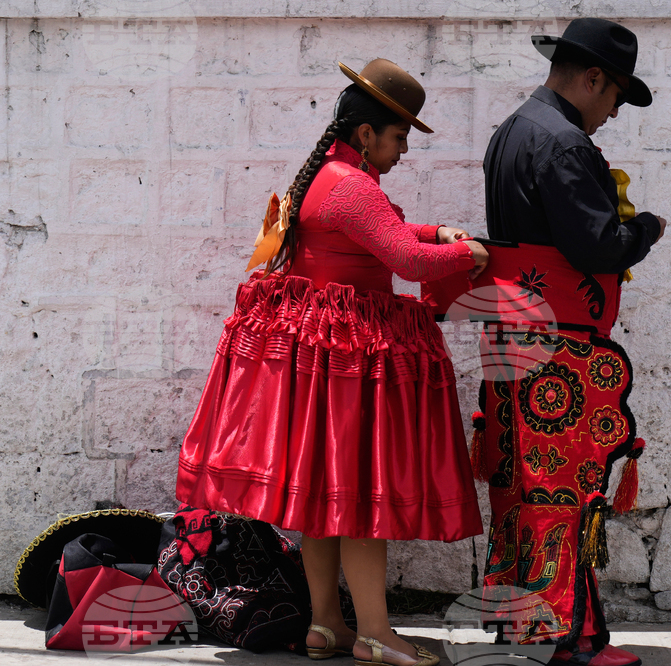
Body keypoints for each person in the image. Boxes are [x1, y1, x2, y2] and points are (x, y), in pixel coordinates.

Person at [175, 59, 488, 666]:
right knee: (361, 494)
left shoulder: (325, 178)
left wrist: (436, 228)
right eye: (398, 138)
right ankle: (375, 632)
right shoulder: (353, 187)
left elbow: (383, 230)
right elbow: (406, 260)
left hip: (317, 363)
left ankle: (325, 625)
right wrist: (467, 252)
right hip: (348, 366)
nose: (402, 151)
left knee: (322, 496)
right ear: (367, 133)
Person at [478, 19, 665, 666]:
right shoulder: (563, 144)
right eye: (614, 97)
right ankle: (572, 643)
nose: (612, 113)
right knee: (568, 495)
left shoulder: (511, 132)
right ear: (592, 79)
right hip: (561, 351)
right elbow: (597, 246)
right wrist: (643, 229)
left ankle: (526, 626)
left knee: (524, 492)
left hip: (512, 340)